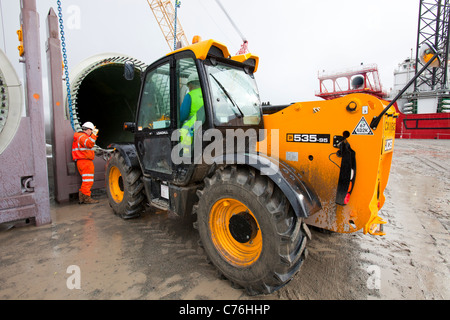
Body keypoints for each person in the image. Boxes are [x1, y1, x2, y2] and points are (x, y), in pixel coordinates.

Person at [72, 121, 99, 204]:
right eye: (91, 131)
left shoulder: (79, 136)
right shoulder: (82, 137)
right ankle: (86, 198)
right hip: (85, 161)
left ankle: (82, 198)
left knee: (85, 180)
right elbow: (89, 144)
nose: (91, 133)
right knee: (88, 181)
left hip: (82, 161)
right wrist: (94, 135)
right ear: (87, 130)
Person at [179, 73, 204, 157]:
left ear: (191, 85)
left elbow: (182, 115)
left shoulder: (189, 95)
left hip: (194, 124)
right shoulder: (207, 93)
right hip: (205, 123)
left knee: (184, 131)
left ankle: (186, 156)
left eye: (189, 86)